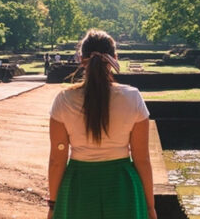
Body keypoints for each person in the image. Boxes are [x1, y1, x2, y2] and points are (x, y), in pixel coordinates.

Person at [48, 29, 156, 219]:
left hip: (78, 187)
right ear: (114, 58)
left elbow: (57, 161)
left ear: (81, 59)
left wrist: (53, 205)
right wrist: (150, 207)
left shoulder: (64, 100)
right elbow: (142, 159)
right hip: (122, 188)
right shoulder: (132, 97)